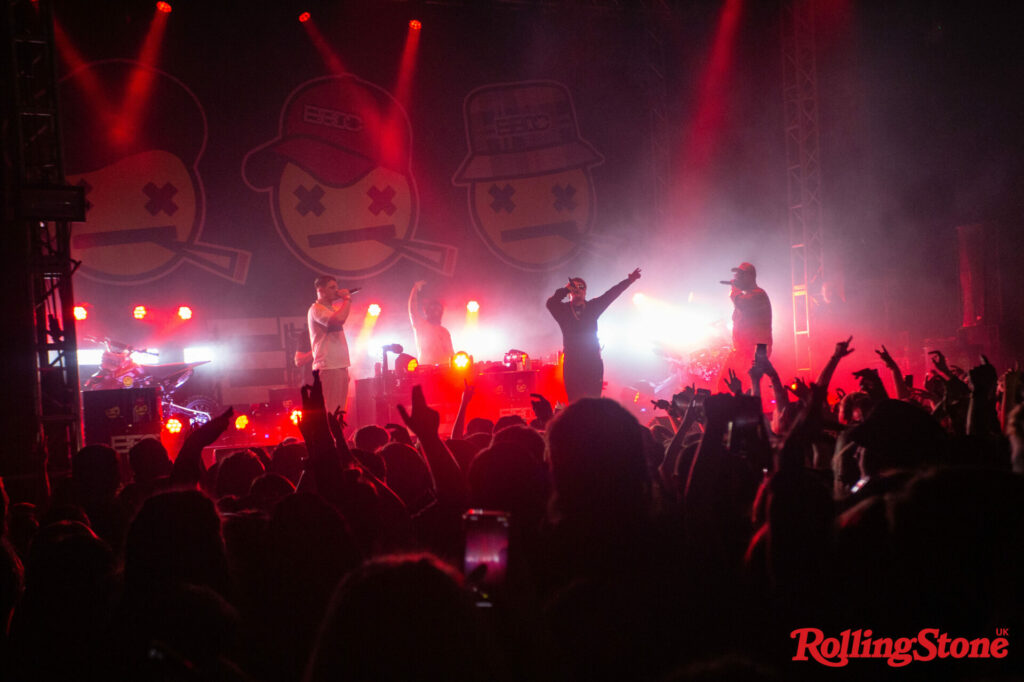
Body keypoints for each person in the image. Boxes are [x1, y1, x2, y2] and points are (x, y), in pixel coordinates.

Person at [547, 268, 640, 403]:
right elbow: (551, 303)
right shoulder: (563, 311)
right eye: (574, 287)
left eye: (581, 287)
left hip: (592, 363)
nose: (577, 289)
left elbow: (611, 294)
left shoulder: (593, 307)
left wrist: (629, 281)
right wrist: (566, 289)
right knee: (574, 403)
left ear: (585, 292)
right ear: (570, 292)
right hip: (572, 364)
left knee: (594, 403)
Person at [307, 275, 353, 414]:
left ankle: (337, 435)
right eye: (332, 288)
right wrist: (347, 299)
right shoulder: (316, 309)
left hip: (338, 365)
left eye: (336, 287)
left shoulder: (330, 309)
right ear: (321, 290)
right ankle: (331, 435)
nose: (336, 291)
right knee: (332, 410)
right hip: (328, 365)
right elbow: (339, 319)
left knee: (340, 411)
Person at [726, 262, 772, 372]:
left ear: (750, 276)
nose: (738, 278)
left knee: (747, 384)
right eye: (737, 276)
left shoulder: (758, 295)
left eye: (741, 275)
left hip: (755, 351)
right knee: (726, 382)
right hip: (743, 349)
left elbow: (740, 302)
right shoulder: (747, 295)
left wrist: (735, 289)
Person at [408, 281, 454, 365]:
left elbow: (451, 352)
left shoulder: (444, 331)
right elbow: (412, 310)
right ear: (427, 311)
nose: (436, 311)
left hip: (445, 370)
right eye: (433, 309)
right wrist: (415, 289)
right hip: (426, 369)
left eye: (438, 309)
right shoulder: (421, 325)